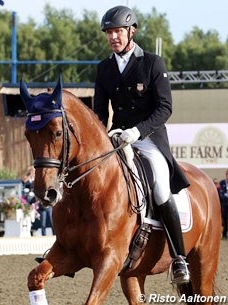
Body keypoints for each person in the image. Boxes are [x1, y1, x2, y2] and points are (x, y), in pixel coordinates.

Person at [94, 5, 190, 285]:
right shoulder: (104, 69)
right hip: (117, 138)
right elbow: (99, 111)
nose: (113, 37)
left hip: (148, 139)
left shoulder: (152, 63)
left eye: (118, 31)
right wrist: (103, 135)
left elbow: (165, 108)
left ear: (131, 31)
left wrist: (138, 131)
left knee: (159, 187)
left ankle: (180, 257)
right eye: (109, 32)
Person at [219, 170, 228, 239]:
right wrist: (224, 195)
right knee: (224, 219)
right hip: (224, 204)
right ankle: (224, 234)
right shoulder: (222, 182)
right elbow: (220, 192)